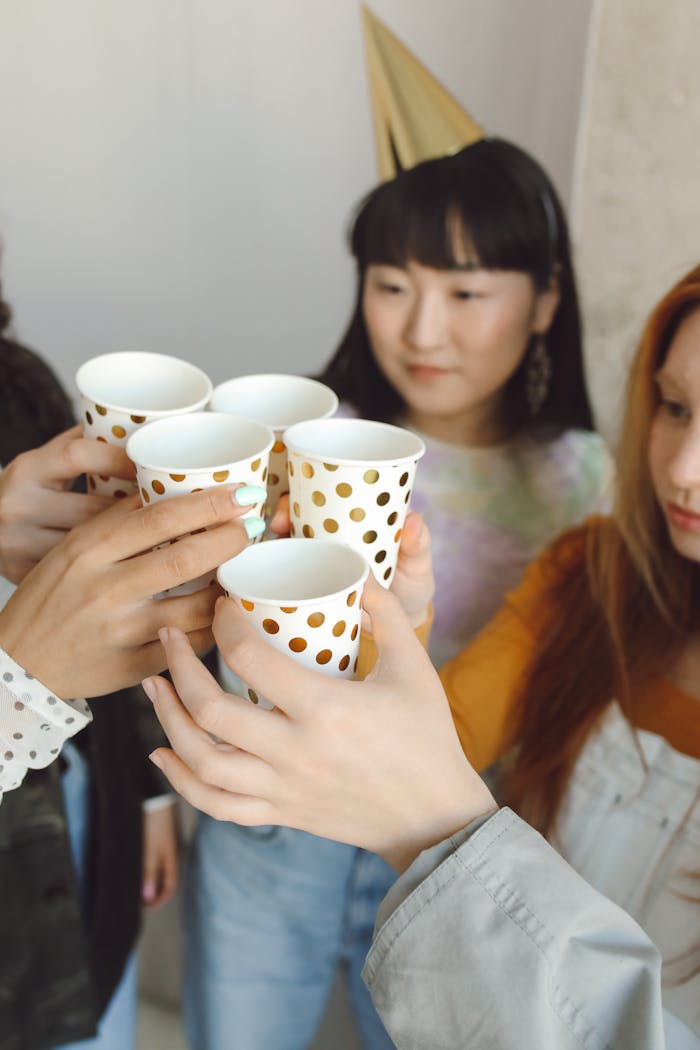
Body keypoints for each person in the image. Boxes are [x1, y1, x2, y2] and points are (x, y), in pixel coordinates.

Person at [145, 262, 700, 1047]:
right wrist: (372, 646)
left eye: (466, 292)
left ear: (542, 303)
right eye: (676, 407)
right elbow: (450, 731)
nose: (683, 468)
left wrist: (439, 824)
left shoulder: (566, 470)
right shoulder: (595, 576)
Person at [180, 137, 612, 1050]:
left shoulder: (585, 482)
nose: (422, 331)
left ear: (544, 302)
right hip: (273, 823)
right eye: (392, 285)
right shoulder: (297, 437)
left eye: (465, 293)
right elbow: (183, 605)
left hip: (445, 833)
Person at [0, 284, 266, 1050]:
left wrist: (148, 791)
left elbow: (109, 596)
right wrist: (18, 680)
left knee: (96, 987)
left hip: (75, 790)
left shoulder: (16, 378)